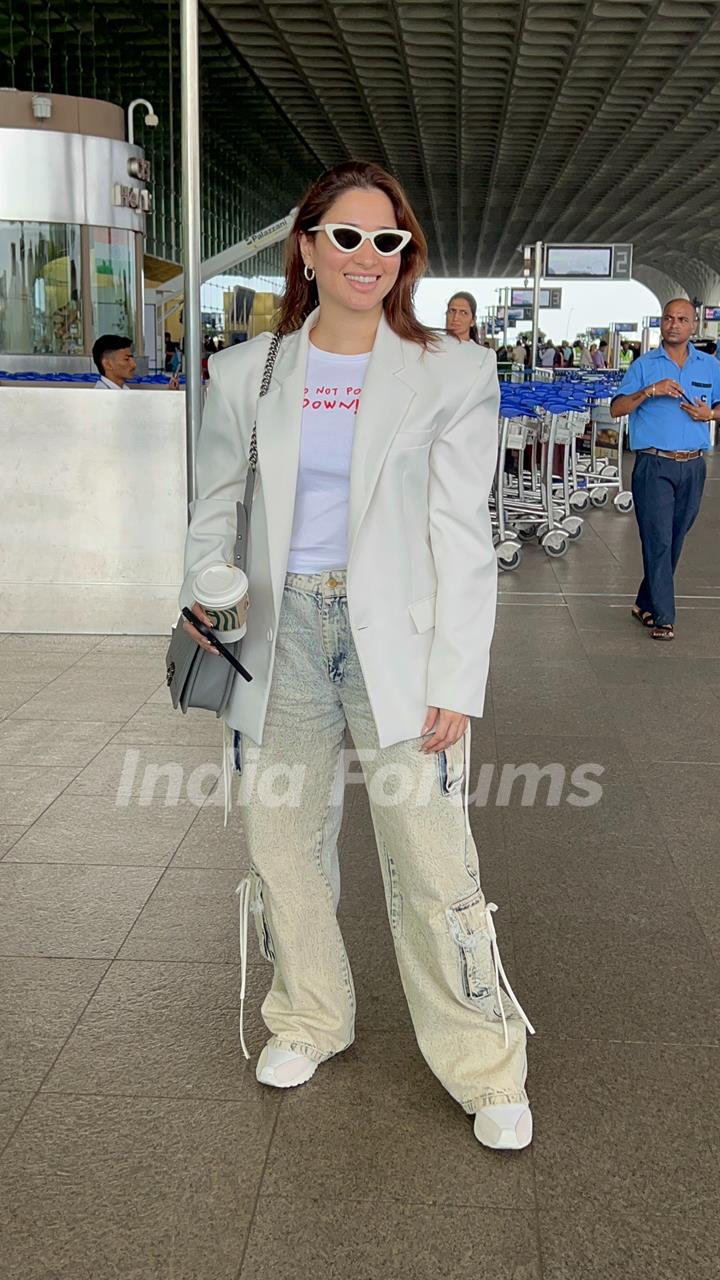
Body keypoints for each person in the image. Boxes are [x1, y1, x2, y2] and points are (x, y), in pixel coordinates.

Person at [181, 160, 533, 1151]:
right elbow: (214, 506)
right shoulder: (246, 372)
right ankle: (308, 1016)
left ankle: (484, 1058)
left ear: (404, 257)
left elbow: (464, 530)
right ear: (307, 245)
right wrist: (205, 590)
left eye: (388, 241)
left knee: (430, 855)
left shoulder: (453, 371)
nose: (368, 255)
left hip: (400, 639)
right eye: (347, 235)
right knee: (283, 841)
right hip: (280, 630)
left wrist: (458, 675)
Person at [610, 298, 720, 641]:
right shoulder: (644, 365)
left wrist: (710, 415)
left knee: (674, 539)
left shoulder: (710, 366)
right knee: (657, 539)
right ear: (662, 323)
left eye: (682, 319)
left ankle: (644, 602)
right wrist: (649, 391)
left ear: (694, 325)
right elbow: (617, 409)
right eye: (668, 318)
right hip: (654, 464)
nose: (674, 324)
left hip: (693, 466)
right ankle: (664, 617)